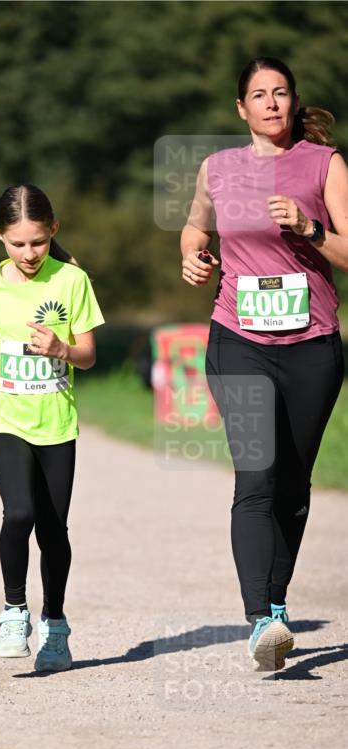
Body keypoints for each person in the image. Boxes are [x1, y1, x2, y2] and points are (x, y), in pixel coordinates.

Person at [181, 57, 347, 671]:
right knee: (256, 476)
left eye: (281, 93)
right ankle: (260, 621)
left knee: (293, 486)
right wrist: (195, 256)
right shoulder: (217, 169)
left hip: (312, 344)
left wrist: (309, 227)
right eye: (259, 94)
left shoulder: (324, 164)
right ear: (241, 108)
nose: (272, 103)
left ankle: (276, 605)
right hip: (238, 340)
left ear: (293, 101)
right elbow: (195, 229)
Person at [0, 184, 104, 672]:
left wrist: (62, 350)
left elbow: (88, 355)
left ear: (54, 232)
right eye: (18, 243)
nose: (29, 253)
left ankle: (56, 624)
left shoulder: (72, 281)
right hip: (3, 416)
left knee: (52, 529)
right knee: (18, 512)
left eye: (38, 242)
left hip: (56, 424)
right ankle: (12, 612)